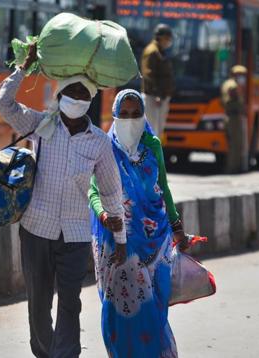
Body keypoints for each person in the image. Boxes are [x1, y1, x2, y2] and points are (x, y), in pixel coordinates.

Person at [0, 43, 126, 358]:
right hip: (36, 228)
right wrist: (23, 69)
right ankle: (44, 352)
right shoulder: (40, 125)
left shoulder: (99, 143)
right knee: (38, 301)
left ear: (91, 101)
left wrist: (120, 237)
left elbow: (110, 191)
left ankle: (65, 354)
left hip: (76, 235)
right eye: (72, 93)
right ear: (60, 95)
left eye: (84, 95)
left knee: (71, 302)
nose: (77, 100)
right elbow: (4, 103)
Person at [88, 89, 192, 358]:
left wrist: (177, 226)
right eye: (123, 115)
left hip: (156, 240)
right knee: (120, 307)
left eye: (136, 114)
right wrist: (103, 216)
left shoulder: (152, 145)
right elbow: (93, 191)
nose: (130, 120)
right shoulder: (104, 147)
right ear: (114, 115)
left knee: (152, 307)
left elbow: (163, 188)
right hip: (116, 241)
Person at [141, 23, 175, 140]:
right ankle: (150, 157)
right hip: (153, 97)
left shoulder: (159, 51)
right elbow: (148, 74)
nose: (169, 41)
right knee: (152, 131)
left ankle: (156, 157)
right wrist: (157, 94)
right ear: (160, 37)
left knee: (158, 132)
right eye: (167, 38)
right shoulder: (152, 51)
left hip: (159, 96)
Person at [220, 65, 249, 173]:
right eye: (240, 75)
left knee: (234, 144)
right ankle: (232, 168)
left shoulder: (227, 84)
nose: (242, 77)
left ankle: (233, 167)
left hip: (230, 116)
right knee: (235, 145)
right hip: (233, 117)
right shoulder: (232, 86)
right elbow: (230, 101)